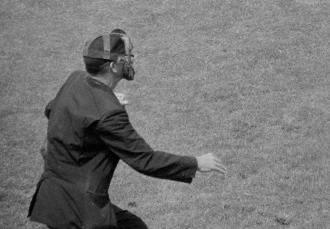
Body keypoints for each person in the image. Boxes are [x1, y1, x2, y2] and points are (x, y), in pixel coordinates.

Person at [28, 29, 227, 229]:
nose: (132, 60)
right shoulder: (109, 114)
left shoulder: (75, 79)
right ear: (113, 66)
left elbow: (51, 108)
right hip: (81, 213)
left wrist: (104, 98)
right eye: (127, 57)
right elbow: (145, 160)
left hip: (52, 198)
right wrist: (195, 163)